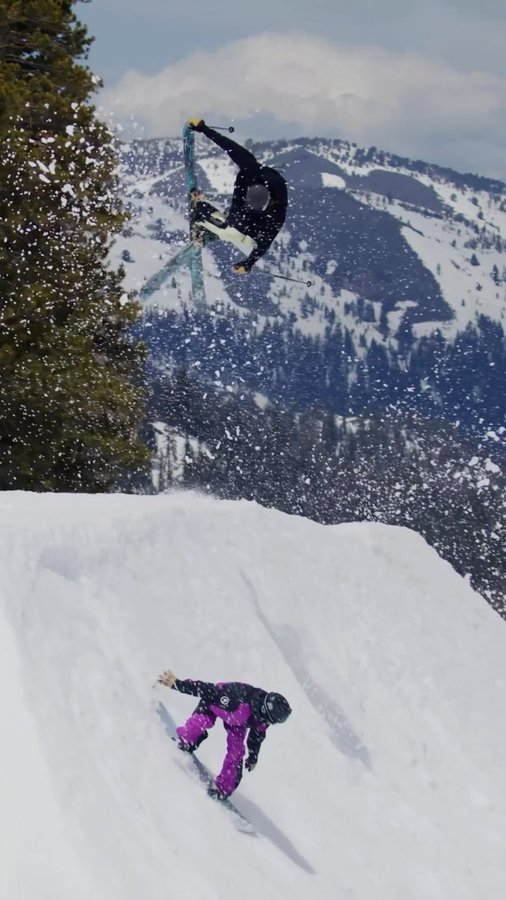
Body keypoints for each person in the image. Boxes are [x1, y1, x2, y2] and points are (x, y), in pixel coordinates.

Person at [158, 670, 292, 799]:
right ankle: (187, 741)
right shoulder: (238, 699)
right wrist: (177, 683)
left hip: (237, 723)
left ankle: (223, 788)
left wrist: (253, 757)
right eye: (271, 720)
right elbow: (206, 689)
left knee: (236, 752)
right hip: (214, 705)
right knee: (199, 723)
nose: (269, 723)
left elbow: (255, 738)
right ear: (265, 711)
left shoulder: (262, 719)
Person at [186, 117, 288, 274]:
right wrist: (248, 263)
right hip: (247, 232)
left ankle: (199, 223)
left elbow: (228, 146)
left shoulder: (250, 167)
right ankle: (209, 223)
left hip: (236, 228)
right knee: (232, 219)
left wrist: (203, 128)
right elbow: (268, 237)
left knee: (200, 209)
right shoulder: (278, 193)